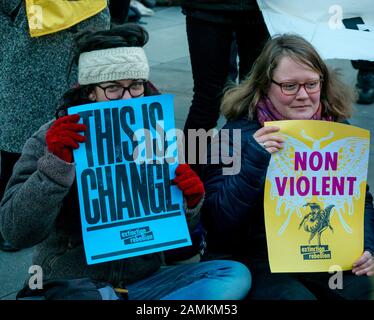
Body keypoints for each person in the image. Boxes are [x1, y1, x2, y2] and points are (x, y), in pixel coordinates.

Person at [0, 24, 251, 300]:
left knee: (232, 275)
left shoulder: (162, 136)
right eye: (113, 89)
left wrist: (190, 205)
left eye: (135, 86)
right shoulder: (54, 136)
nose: (128, 97)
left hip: (144, 282)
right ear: (90, 92)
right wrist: (55, 166)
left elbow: (181, 248)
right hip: (74, 285)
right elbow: (15, 231)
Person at [201, 34, 374, 300]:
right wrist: (254, 162)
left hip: (322, 255)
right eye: (290, 86)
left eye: (311, 84)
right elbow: (217, 223)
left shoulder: (337, 131)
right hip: (257, 258)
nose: (303, 95)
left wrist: (367, 247)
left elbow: (361, 201)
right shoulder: (235, 136)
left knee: (358, 290)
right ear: (264, 85)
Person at [0, 0, 110, 251]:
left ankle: (83, 211)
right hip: (28, 18)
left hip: (86, 12)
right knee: (19, 121)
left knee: (83, 116)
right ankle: (15, 213)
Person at [180, 0, 269, 174]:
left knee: (252, 97)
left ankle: (240, 174)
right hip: (212, 8)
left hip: (254, 9)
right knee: (210, 100)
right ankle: (188, 178)